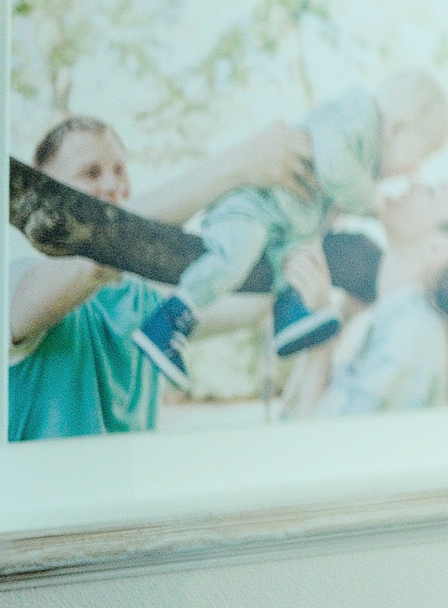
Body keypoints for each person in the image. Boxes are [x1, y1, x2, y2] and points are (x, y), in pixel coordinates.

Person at [8, 114, 328, 441]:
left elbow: (256, 305)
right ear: (45, 189)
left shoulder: (145, 303)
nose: (112, 185)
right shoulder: (16, 286)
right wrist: (241, 163)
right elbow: (97, 253)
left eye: (120, 170)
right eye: (91, 172)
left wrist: (302, 257)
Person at [134, 70, 448, 390]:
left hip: (282, 223)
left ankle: (291, 316)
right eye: (418, 157)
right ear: (396, 129)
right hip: (253, 208)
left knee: (298, 261)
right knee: (234, 255)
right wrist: (371, 198)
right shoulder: (354, 120)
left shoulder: (364, 150)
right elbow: (334, 168)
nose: (414, 170)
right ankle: (171, 319)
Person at [297, 175, 448, 416]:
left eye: (432, 191)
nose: (415, 185)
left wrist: (321, 332)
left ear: (437, 249)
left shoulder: (413, 332)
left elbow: (320, 442)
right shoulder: (397, 324)